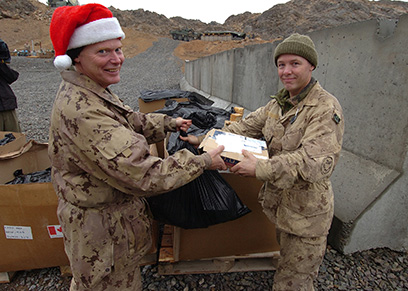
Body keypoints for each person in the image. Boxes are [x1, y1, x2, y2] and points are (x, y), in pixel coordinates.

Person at [48, 4, 226, 291]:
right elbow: (145, 175)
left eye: (117, 49)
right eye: (103, 52)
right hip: (101, 237)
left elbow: (129, 119)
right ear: (76, 58)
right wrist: (204, 161)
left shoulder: (90, 89)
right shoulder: (82, 111)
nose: (116, 59)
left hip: (111, 228)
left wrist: (169, 122)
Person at [183, 33, 344, 290]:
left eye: (295, 63)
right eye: (281, 65)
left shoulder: (325, 108)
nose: (286, 71)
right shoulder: (278, 104)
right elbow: (245, 127)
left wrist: (259, 168)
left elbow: (313, 163)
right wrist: (204, 140)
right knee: (287, 264)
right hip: (283, 208)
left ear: (311, 65)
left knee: (294, 282)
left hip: (306, 216)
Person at [0, 38, 21, 132]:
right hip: (6, 105)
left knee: (13, 140)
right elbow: (11, 77)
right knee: (14, 141)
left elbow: (11, 77)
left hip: (6, 105)